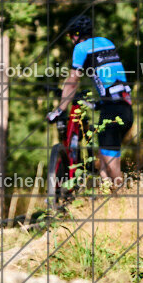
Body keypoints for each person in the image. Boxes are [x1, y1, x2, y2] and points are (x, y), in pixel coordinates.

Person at [48, 14, 133, 189]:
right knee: (103, 166)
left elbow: (72, 81)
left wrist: (59, 109)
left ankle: (125, 198)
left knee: (111, 168)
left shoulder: (81, 48)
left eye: (72, 34)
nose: (71, 39)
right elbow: (111, 75)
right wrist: (99, 103)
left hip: (112, 111)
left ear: (78, 34)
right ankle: (110, 204)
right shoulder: (107, 42)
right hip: (126, 109)